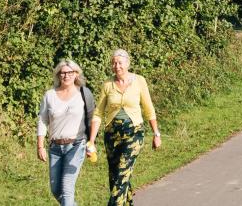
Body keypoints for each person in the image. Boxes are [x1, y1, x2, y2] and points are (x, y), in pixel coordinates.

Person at [89, 48, 161, 206]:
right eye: (114, 63)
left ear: (127, 64)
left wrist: (156, 134)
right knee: (116, 176)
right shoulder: (107, 84)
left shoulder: (139, 81)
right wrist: (92, 141)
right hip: (112, 135)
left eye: (120, 63)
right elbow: (98, 113)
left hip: (134, 133)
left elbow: (148, 108)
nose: (117, 66)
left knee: (122, 173)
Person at [36, 59, 98, 206]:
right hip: (55, 148)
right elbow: (43, 120)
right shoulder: (49, 95)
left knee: (67, 188)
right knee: (56, 190)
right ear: (58, 75)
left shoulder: (84, 93)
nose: (66, 75)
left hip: (76, 145)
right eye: (62, 73)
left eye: (70, 72)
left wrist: (92, 142)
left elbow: (93, 118)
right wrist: (40, 146)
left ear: (76, 74)